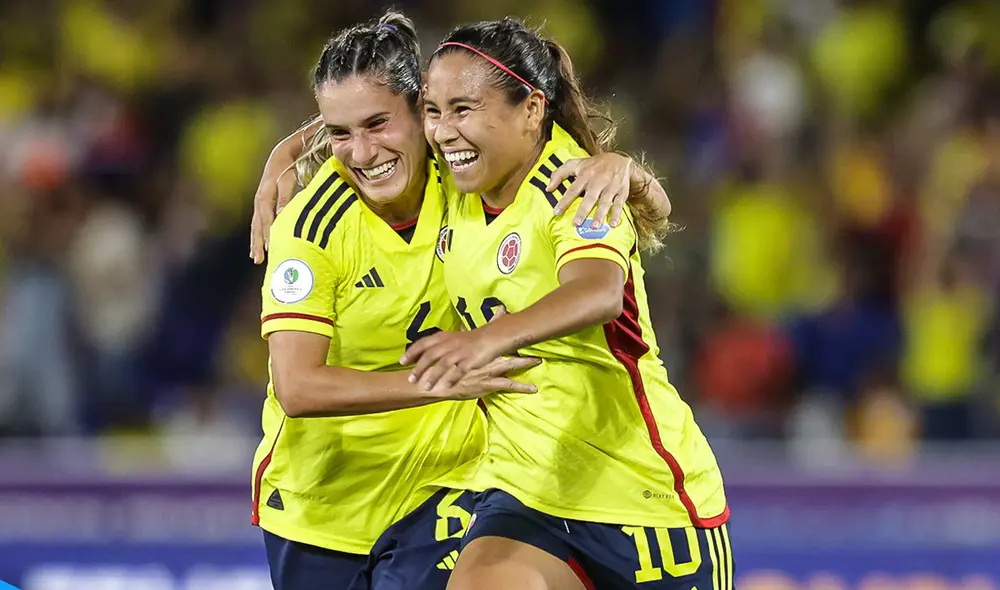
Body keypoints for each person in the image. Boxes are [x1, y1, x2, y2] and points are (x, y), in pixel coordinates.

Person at [250, 11, 670, 590]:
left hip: (446, 490)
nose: (364, 152)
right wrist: (440, 381)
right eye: (340, 133)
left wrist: (628, 171)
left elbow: (586, 191)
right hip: (325, 507)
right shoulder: (312, 226)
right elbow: (297, 388)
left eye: (379, 124)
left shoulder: (467, 173)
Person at [402, 19, 734, 590]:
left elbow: (598, 291)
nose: (442, 131)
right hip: (525, 492)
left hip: (643, 496)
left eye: (463, 109)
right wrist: (289, 155)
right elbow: (367, 130)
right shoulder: (451, 176)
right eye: (432, 110)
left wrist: (482, 340)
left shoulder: (575, 181)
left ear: (532, 109)